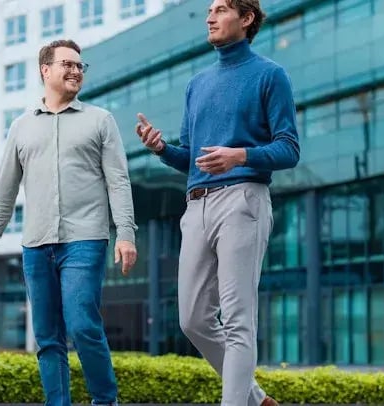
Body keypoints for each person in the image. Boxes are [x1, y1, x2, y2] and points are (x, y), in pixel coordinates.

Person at [135, 1, 300, 405]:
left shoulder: (270, 75)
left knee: (238, 318)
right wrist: (161, 150)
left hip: (243, 200)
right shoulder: (197, 83)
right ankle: (256, 397)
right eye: (209, 9)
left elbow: (289, 149)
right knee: (192, 319)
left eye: (221, 8)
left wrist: (240, 155)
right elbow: (190, 156)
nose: (209, 16)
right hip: (196, 205)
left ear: (246, 19)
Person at [0, 39, 138, 406]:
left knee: (82, 324)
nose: (76, 70)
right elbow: (4, 191)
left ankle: (104, 401)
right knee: (47, 337)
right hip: (36, 245)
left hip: (85, 239)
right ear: (45, 70)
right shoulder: (21, 127)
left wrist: (125, 234)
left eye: (80, 65)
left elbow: (119, 181)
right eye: (68, 63)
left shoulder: (100, 120)